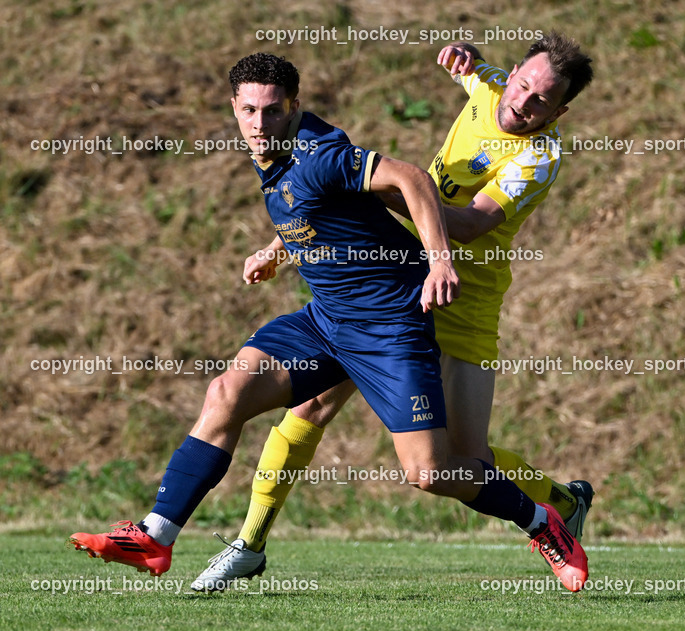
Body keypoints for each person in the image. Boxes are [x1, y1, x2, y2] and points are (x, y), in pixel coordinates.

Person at [70, 52, 588, 592]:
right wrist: (279, 245)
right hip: (327, 318)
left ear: (294, 107)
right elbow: (318, 201)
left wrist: (437, 256)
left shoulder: (533, 155)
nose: (258, 123)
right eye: (248, 111)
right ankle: (158, 536)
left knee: (435, 469)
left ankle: (544, 517)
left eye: (271, 112)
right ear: (233, 107)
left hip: (401, 318)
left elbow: (416, 184)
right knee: (228, 393)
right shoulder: (280, 140)